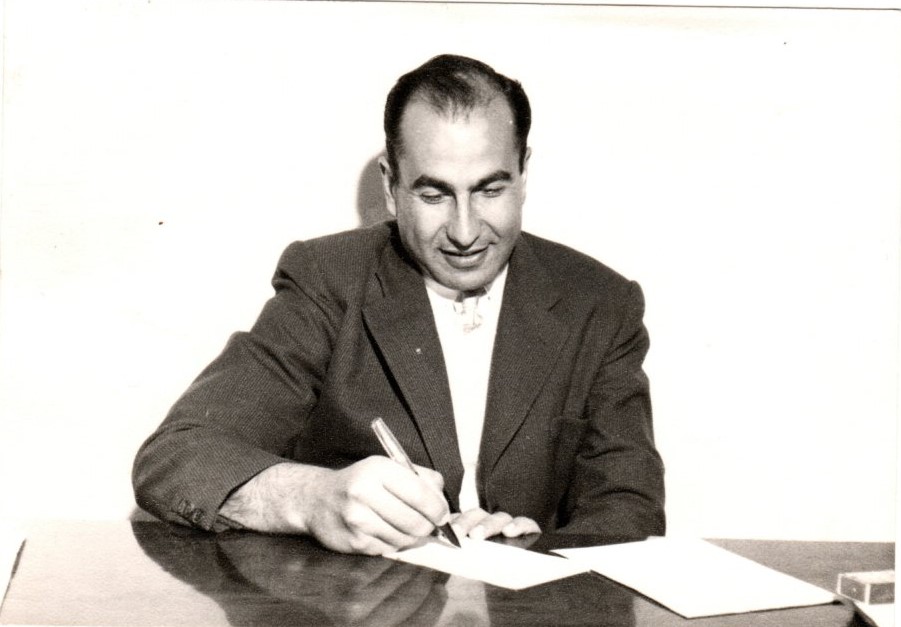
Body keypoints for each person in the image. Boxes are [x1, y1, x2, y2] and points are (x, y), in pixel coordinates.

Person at [132, 54, 665, 556]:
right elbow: (177, 456)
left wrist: (538, 553)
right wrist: (312, 499)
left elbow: (629, 511)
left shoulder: (601, 303)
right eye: (433, 195)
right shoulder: (328, 280)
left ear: (523, 173)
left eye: (489, 191)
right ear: (391, 186)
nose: (464, 232)